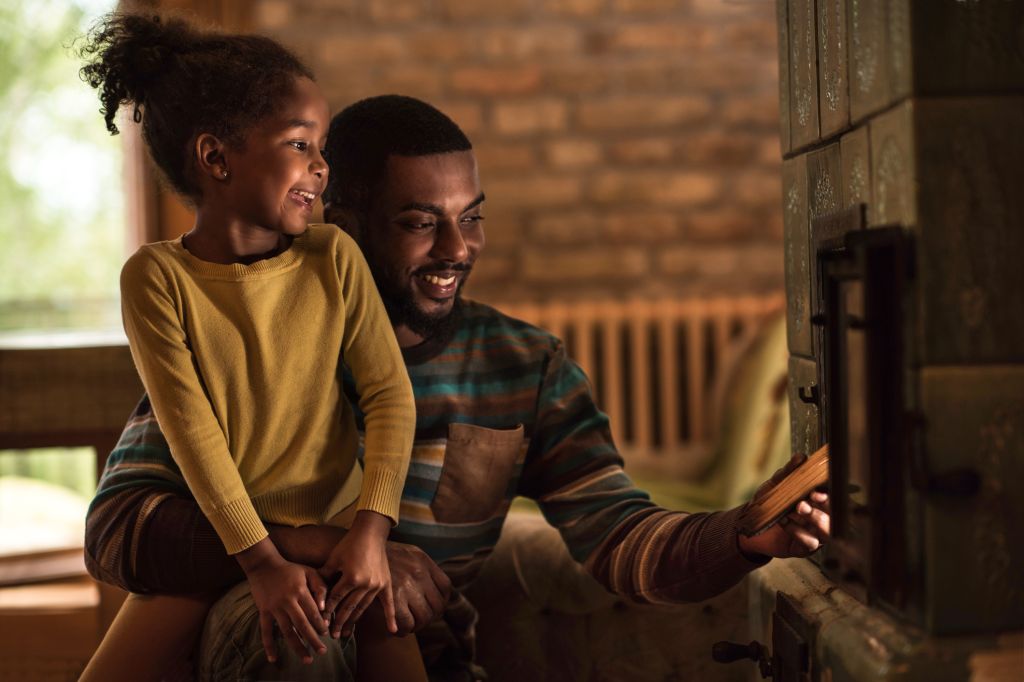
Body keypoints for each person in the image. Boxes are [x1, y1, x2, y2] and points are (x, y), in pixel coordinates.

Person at [83, 95, 830, 681]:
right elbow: (117, 531)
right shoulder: (244, 341)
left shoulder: (523, 368)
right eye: (419, 223)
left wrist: (737, 537)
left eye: (470, 219)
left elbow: (619, 539)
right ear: (339, 223)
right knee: (300, 622)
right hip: (267, 652)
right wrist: (330, 550)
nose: (457, 250)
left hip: (427, 664)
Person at [78, 15, 421, 680]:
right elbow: (193, 436)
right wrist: (262, 563)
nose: (322, 166)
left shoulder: (334, 257)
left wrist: (372, 532)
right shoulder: (156, 279)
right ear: (215, 158)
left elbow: (389, 396)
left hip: (341, 525)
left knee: (393, 624)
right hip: (226, 529)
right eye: (300, 143)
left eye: (322, 145)